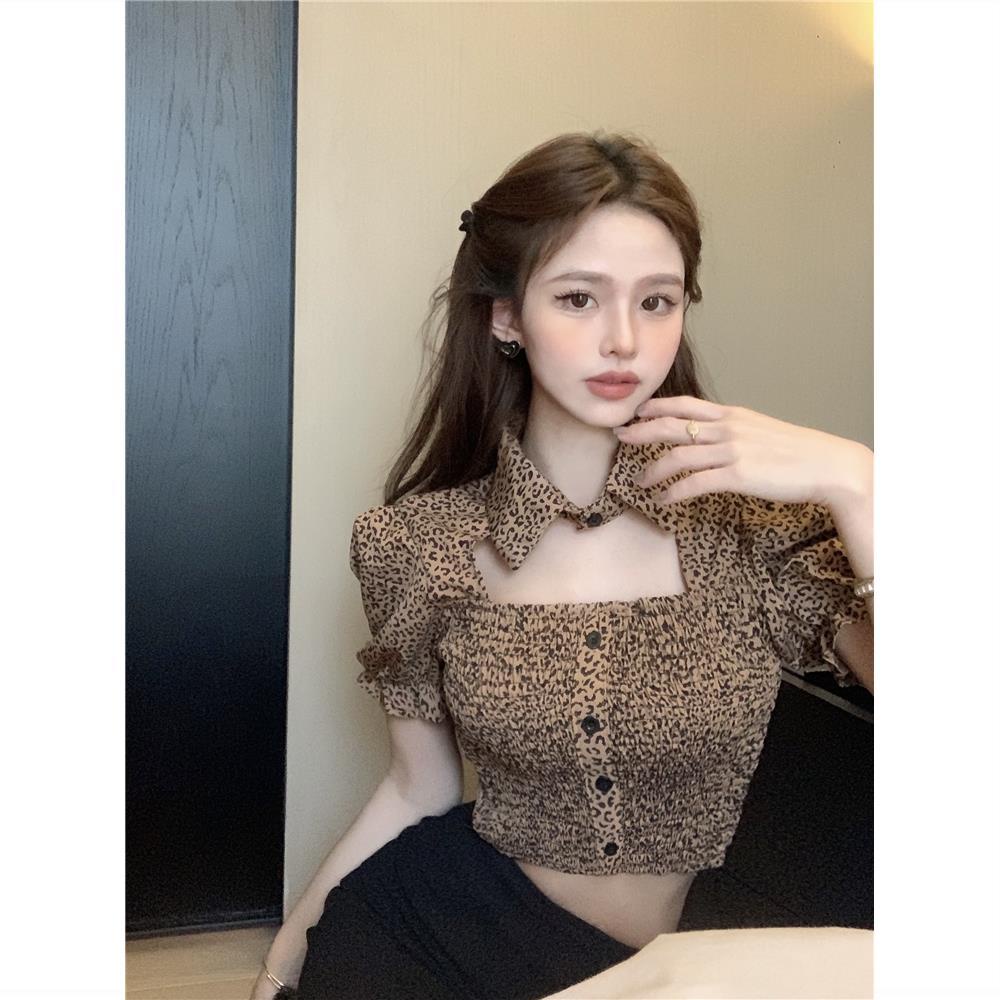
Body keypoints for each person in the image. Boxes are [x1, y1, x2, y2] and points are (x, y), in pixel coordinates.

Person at [250, 130, 875, 1000]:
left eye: (657, 302)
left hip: (692, 964)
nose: (624, 340)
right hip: (443, 935)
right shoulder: (417, 546)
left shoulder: (752, 527)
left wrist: (861, 484)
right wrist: (284, 957)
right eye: (579, 298)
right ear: (507, 317)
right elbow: (417, 788)